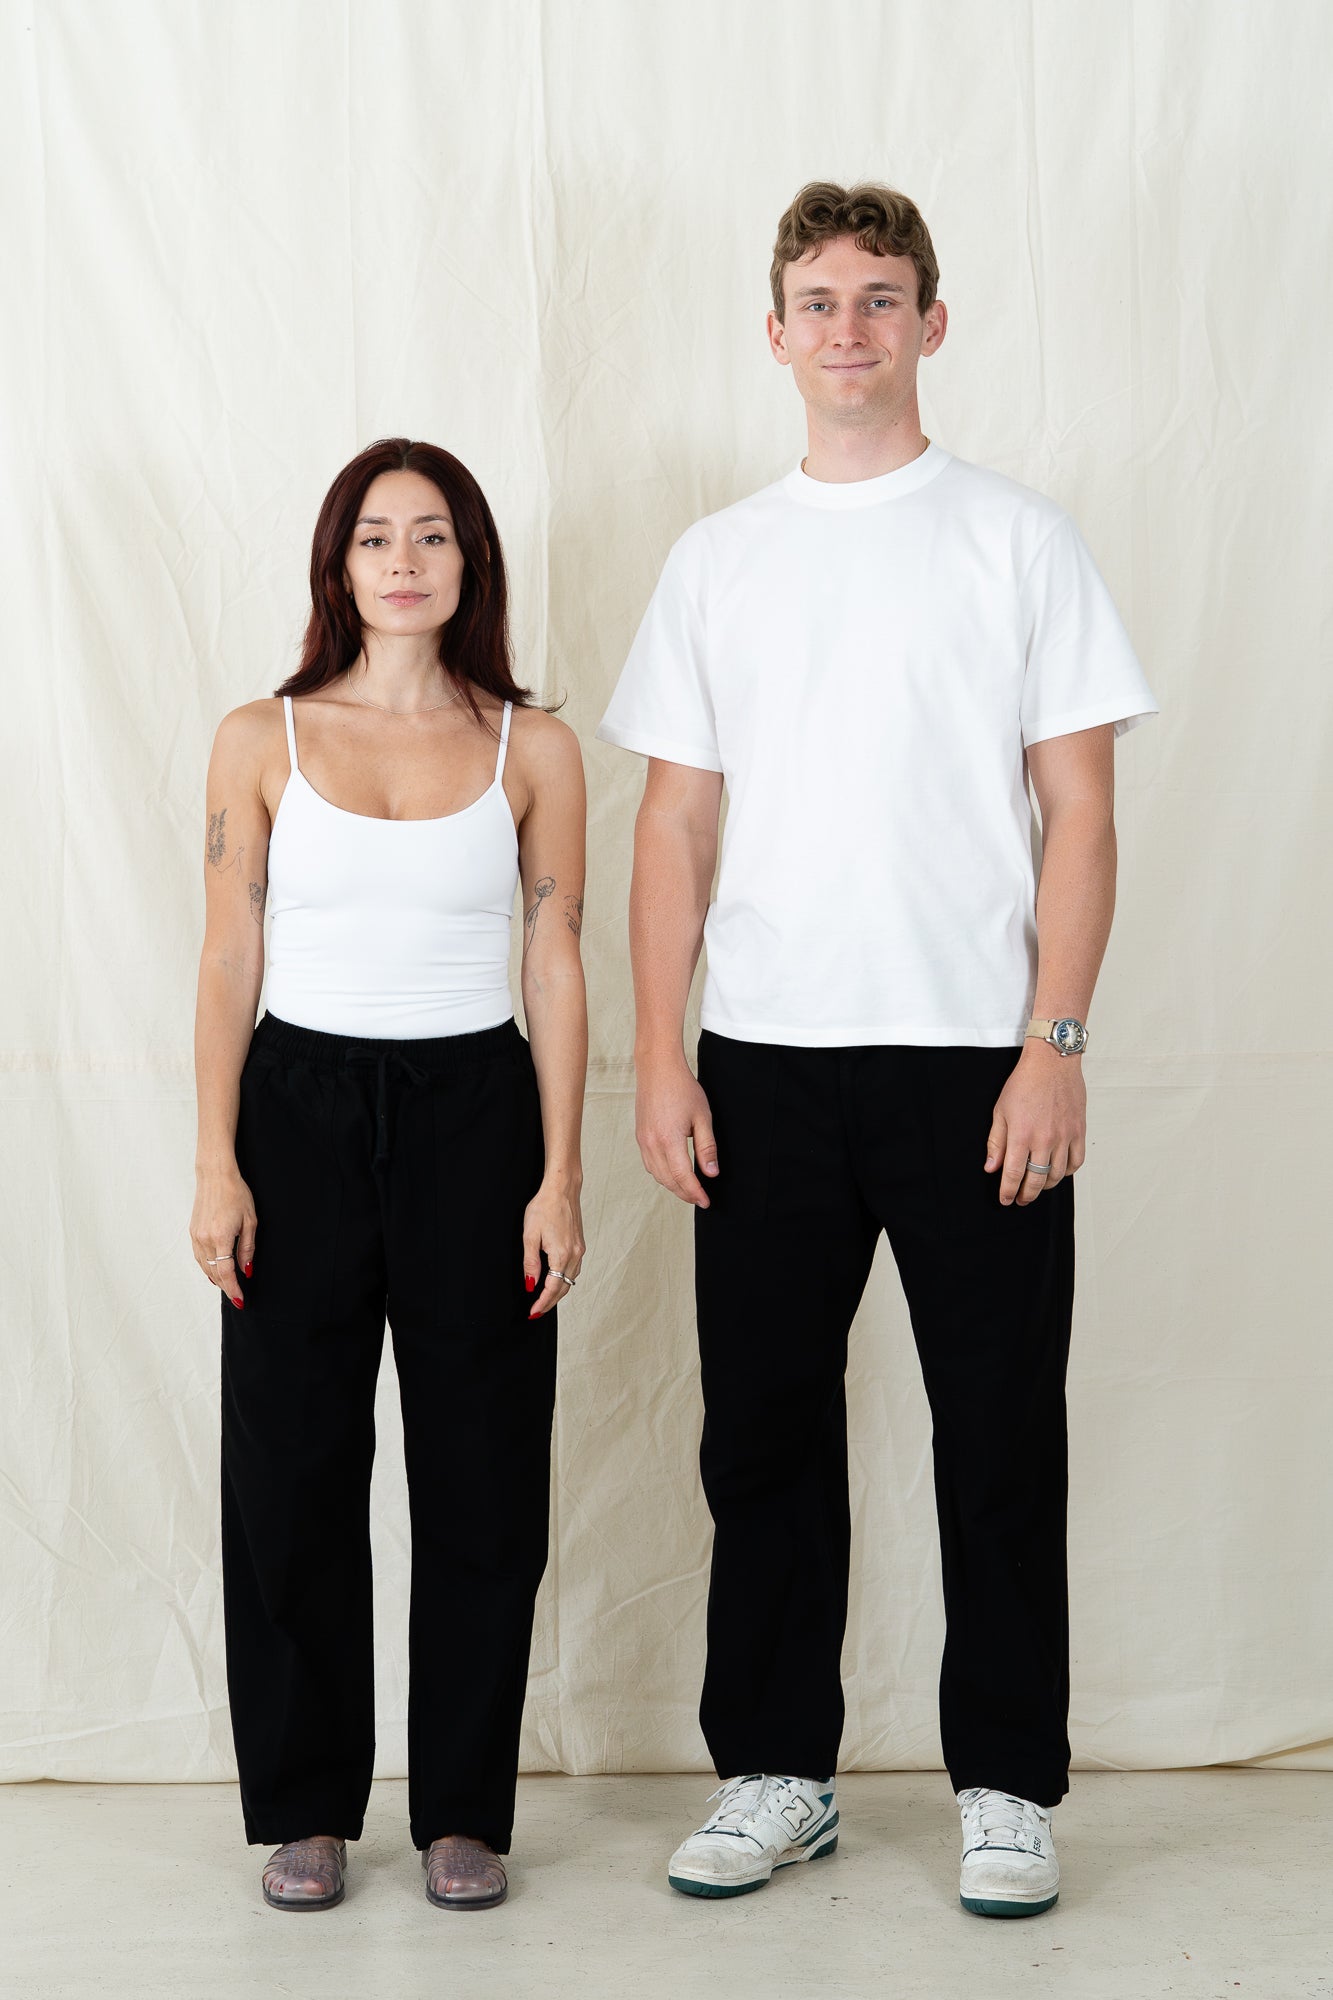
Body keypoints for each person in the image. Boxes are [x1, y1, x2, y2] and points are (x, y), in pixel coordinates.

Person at [596, 182, 1156, 1917]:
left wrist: (1054, 1042)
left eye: (881, 298)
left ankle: (1005, 1785)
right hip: (763, 1061)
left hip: (973, 1060)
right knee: (762, 1434)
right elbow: (673, 827)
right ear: (775, 335)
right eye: (821, 302)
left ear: (932, 323)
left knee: (997, 1428)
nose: (850, 329)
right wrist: (661, 1057)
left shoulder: (1017, 540)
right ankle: (778, 1771)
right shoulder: (718, 559)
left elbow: (1078, 812)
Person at [190, 437, 586, 1912]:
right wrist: (218, 1159)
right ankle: (305, 1804)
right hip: (294, 1109)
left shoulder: (532, 748)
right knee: (291, 1466)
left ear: (470, 562)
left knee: (484, 1468)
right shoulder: (263, 736)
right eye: (374, 537)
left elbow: (556, 958)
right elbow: (227, 955)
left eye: (431, 535)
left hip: (477, 1112)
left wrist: (558, 1175)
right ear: (338, 565)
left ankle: (462, 1812)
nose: (403, 561)